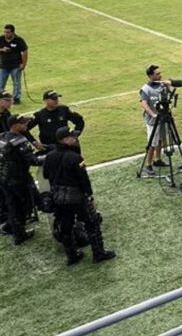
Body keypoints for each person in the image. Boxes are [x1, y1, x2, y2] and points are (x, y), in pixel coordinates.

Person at [44, 127, 116, 264]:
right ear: (64, 140)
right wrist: (89, 196)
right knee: (92, 223)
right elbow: (84, 180)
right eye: (72, 137)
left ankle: (72, 256)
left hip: (58, 198)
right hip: (77, 197)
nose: (75, 139)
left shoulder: (50, 156)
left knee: (66, 226)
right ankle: (98, 253)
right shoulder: (75, 157)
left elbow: (46, 175)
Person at [0, 115, 43, 245]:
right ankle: (17, 231)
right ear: (14, 125)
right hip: (19, 179)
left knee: (12, 204)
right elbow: (33, 160)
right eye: (23, 123)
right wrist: (50, 157)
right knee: (26, 206)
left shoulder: (2, 136)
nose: (26, 125)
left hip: (3, 178)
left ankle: (13, 228)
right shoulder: (19, 141)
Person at [139, 65, 169, 175]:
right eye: (157, 74)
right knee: (152, 143)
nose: (160, 75)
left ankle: (158, 159)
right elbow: (144, 103)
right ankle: (148, 165)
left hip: (163, 119)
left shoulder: (163, 85)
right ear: (150, 76)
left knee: (160, 140)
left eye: (160, 73)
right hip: (153, 122)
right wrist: (153, 114)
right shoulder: (145, 89)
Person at [0, 24, 28, 105]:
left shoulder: (19, 40)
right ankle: (1, 97)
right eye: (5, 32)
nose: (6, 34)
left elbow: (25, 52)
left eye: (8, 32)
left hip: (16, 65)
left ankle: (16, 98)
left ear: (13, 32)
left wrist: (24, 64)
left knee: (16, 83)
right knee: (1, 82)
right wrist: (2, 49)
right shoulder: (1, 39)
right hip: (4, 65)